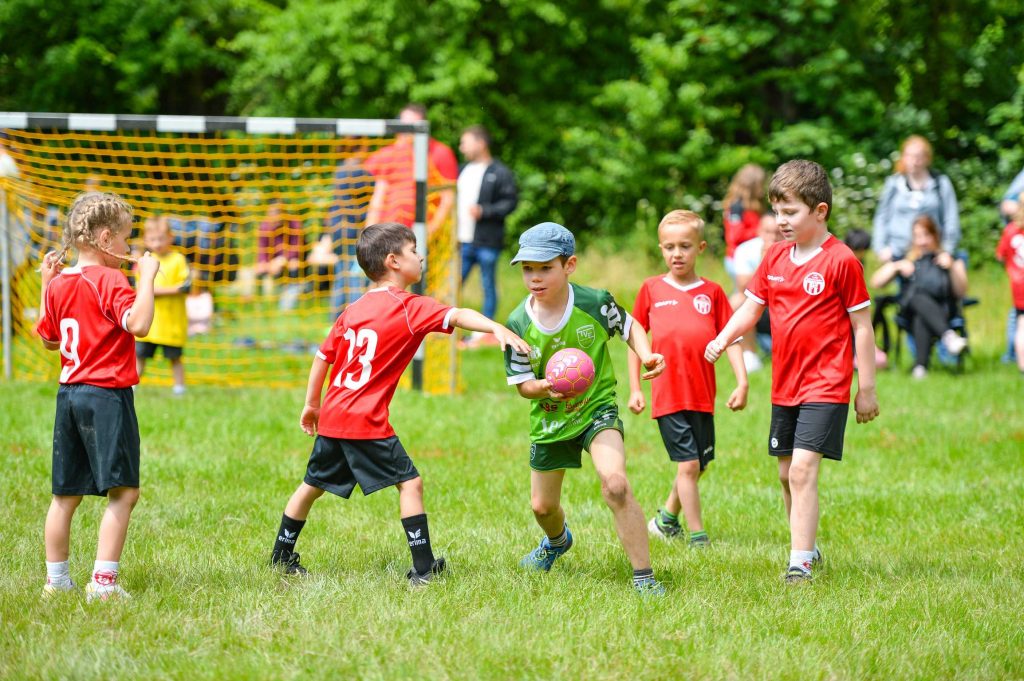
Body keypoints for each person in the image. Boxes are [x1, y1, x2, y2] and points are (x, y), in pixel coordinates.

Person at [269, 222, 529, 585]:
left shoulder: (353, 309)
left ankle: (281, 556)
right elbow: (457, 315)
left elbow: (322, 357)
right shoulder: (408, 307)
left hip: (333, 414)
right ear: (393, 261)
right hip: (365, 420)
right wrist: (495, 327)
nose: (420, 257)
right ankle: (423, 569)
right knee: (410, 484)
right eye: (414, 251)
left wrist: (312, 405)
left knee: (311, 485)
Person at [705, 160, 879, 584]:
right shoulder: (775, 256)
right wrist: (723, 338)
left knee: (802, 470)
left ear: (820, 211)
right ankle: (809, 547)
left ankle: (799, 563)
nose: (780, 221)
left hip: (827, 384)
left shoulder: (841, 261)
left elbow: (862, 326)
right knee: (786, 473)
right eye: (776, 212)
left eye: (790, 212)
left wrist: (867, 389)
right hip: (786, 383)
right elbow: (751, 308)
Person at [503, 222, 668, 596]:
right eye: (528, 269)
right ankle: (557, 541)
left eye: (545, 268)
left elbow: (630, 326)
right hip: (550, 418)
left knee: (616, 485)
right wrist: (542, 387)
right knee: (542, 507)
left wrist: (646, 354)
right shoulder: (517, 323)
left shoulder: (594, 303)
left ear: (569, 266)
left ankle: (644, 578)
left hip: (596, 409)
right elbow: (523, 386)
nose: (535, 277)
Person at [34, 191, 159, 601]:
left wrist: (45, 284)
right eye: (125, 238)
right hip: (106, 396)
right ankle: (103, 584)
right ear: (105, 239)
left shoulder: (60, 283)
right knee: (124, 492)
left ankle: (56, 583)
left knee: (64, 496)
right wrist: (148, 278)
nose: (128, 246)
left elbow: (49, 339)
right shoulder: (110, 279)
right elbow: (139, 324)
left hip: (68, 396)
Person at [627, 210, 748, 549]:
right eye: (669, 247)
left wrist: (742, 382)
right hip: (668, 395)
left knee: (699, 463)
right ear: (661, 249)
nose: (677, 254)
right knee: (689, 465)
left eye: (685, 246)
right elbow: (635, 338)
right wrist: (636, 388)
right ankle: (698, 537)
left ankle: (666, 520)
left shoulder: (712, 293)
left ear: (701, 248)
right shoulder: (651, 289)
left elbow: (731, 338)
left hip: (702, 395)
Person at [870, 215, 968, 379]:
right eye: (917, 236)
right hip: (908, 312)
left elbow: (961, 292)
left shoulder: (950, 258)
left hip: (942, 311)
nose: (922, 241)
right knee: (917, 297)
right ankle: (948, 336)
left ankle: (920, 367)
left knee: (921, 314)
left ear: (935, 235)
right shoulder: (907, 260)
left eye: (926, 235)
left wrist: (951, 267)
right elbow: (875, 283)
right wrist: (896, 266)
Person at [457, 125, 518, 341]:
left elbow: (510, 202)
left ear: (481, 143)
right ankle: (450, 331)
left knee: (487, 286)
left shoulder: (500, 172)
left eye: (465, 142)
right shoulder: (462, 170)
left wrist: (485, 211)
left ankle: (483, 334)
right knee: (454, 285)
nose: (462, 147)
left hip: (487, 242)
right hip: (461, 241)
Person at [365, 103, 458, 234]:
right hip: (388, 232)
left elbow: (448, 199)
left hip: (423, 233)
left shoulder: (441, 153)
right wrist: (369, 233)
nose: (405, 130)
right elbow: (378, 198)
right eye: (403, 125)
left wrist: (429, 232)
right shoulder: (390, 153)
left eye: (411, 125)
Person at [872, 135, 960, 262]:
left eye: (918, 156)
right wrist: (880, 247)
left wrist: (947, 250)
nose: (914, 161)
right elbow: (881, 216)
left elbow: (951, 217)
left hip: (931, 254)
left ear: (927, 158)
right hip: (897, 253)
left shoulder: (940, 184)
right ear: (903, 158)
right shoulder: (894, 184)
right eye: (910, 156)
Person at [136, 216, 191, 395]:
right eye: (152, 239)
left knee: (175, 358)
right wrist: (172, 290)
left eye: (161, 238)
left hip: (172, 324)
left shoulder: (178, 260)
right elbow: (143, 289)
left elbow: (185, 287)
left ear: (170, 237)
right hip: (148, 324)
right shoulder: (145, 261)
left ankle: (179, 389)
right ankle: (131, 387)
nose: (157, 243)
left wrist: (156, 290)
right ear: (145, 240)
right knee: (139, 357)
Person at [732, 212, 783, 370]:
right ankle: (750, 355)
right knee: (737, 301)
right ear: (759, 231)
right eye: (768, 232)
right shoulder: (745, 250)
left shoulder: (795, 249)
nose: (772, 237)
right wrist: (764, 262)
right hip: (759, 306)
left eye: (777, 232)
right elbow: (743, 287)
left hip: (784, 307)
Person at [722, 164, 767, 289]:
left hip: (751, 256)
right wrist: (760, 231)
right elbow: (734, 236)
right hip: (737, 259)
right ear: (753, 185)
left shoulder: (754, 206)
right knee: (743, 294)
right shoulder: (736, 207)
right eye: (761, 184)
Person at [254, 200, 303, 303]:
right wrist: (266, 263)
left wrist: (283, 259)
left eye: (276, 213)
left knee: (294, 265)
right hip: (273, 262)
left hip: (292, 260)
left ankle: (288, 301)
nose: (273, 217)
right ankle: (259, 302)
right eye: (271, 213)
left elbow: (297, 248)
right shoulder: (264, 227)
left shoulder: (294, 224)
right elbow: (262, 252)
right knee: (259, 268)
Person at [998, 167, 1024, 364]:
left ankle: (1021, 363)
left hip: (1018, 285)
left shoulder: (1011, 231)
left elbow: (1000, 255)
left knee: (1021, 323)